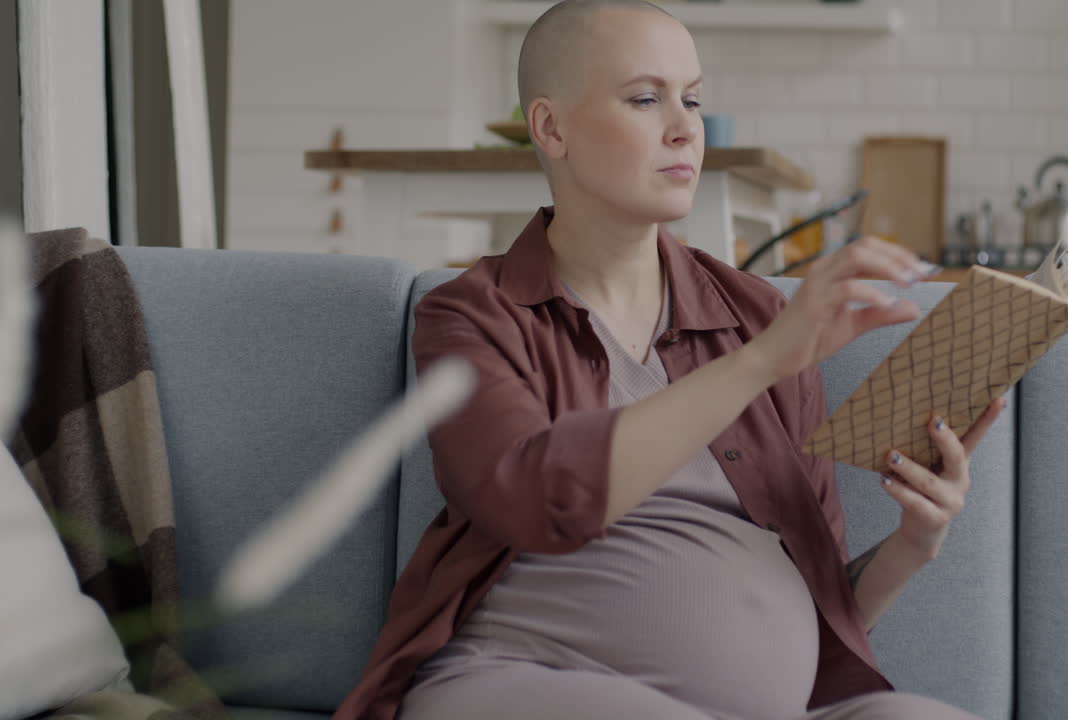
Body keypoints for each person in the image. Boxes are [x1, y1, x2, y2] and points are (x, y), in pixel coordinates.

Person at [335, 1, 1004, 718]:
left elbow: (824, 609)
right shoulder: (471, 315)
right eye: (646, 99)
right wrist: (757, 365)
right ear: (550, 127)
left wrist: (913, 541)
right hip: (522, 679)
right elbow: (534, 501)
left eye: (692, 98)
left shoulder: (759, 316)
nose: (687, 127)